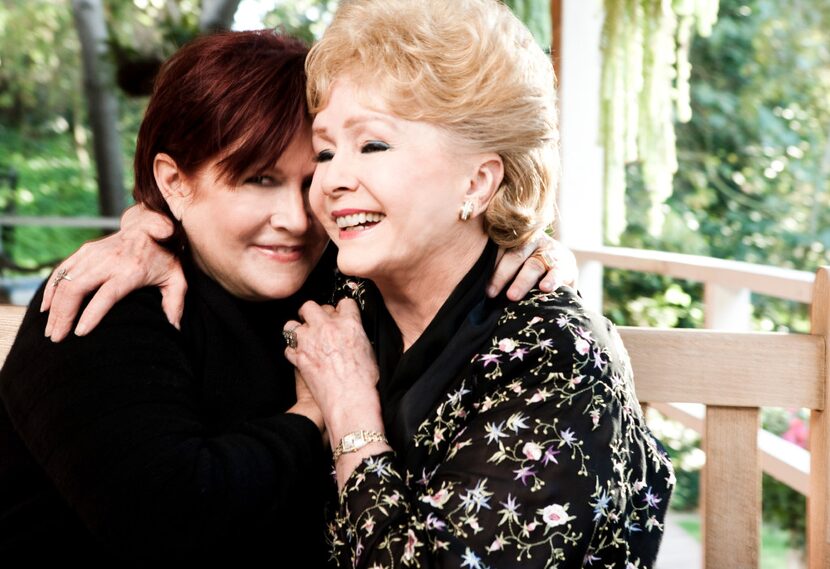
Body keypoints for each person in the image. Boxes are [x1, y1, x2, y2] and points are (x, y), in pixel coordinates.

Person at [0, 29, 571, 567]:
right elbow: (170, 520)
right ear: (174, 182)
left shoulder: (341, 284)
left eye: (312, 175)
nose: (297, 220)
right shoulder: (106, 304)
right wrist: (317, 412)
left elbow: (440, 248)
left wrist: (522, 243)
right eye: (259, 180)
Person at [281, 0, 675, 567]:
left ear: (479, 179)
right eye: (325, 150)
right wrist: (147, 238)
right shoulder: (347, 300)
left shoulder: (558, 359)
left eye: (373, 145)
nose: (333, 179)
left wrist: (350, 413)